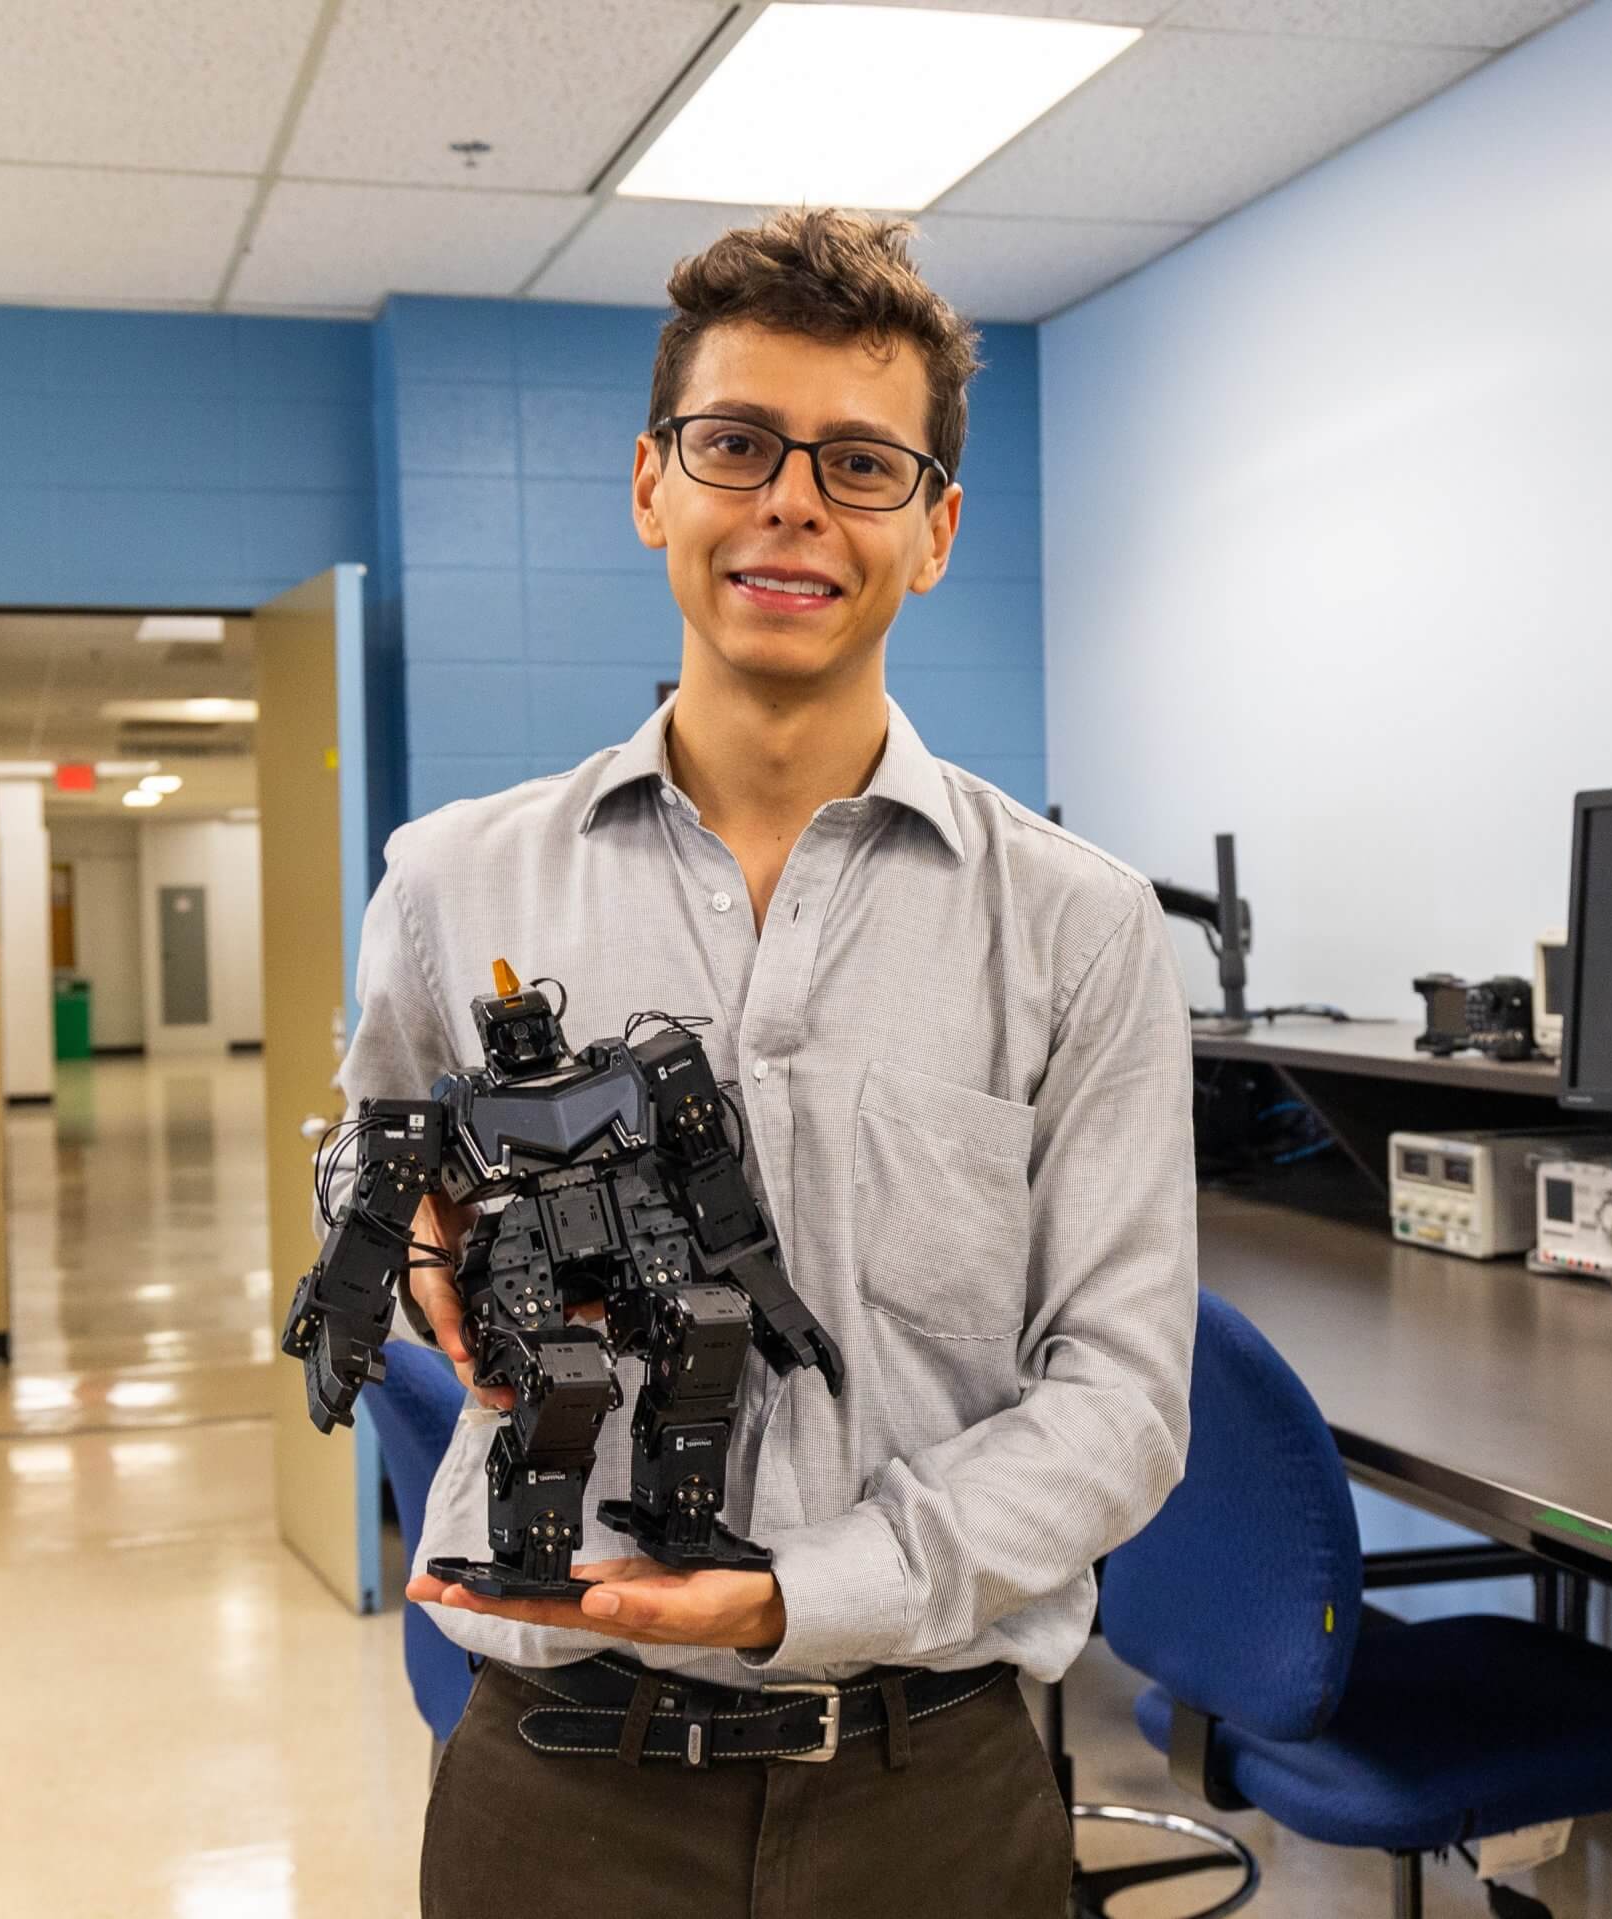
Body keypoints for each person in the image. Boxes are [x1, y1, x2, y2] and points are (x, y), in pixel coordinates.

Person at [325, 207, 1196, 1919]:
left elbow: (1123, 1403)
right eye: (736, 445)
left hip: (932, 1781)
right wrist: (398, 1218)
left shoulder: (1080, 928)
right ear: (653, 486)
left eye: (863, 462)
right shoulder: (452, 882)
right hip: (554, 1781)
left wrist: (806, 1590)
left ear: (935, 530)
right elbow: (374, 1156)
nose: (792, 501)